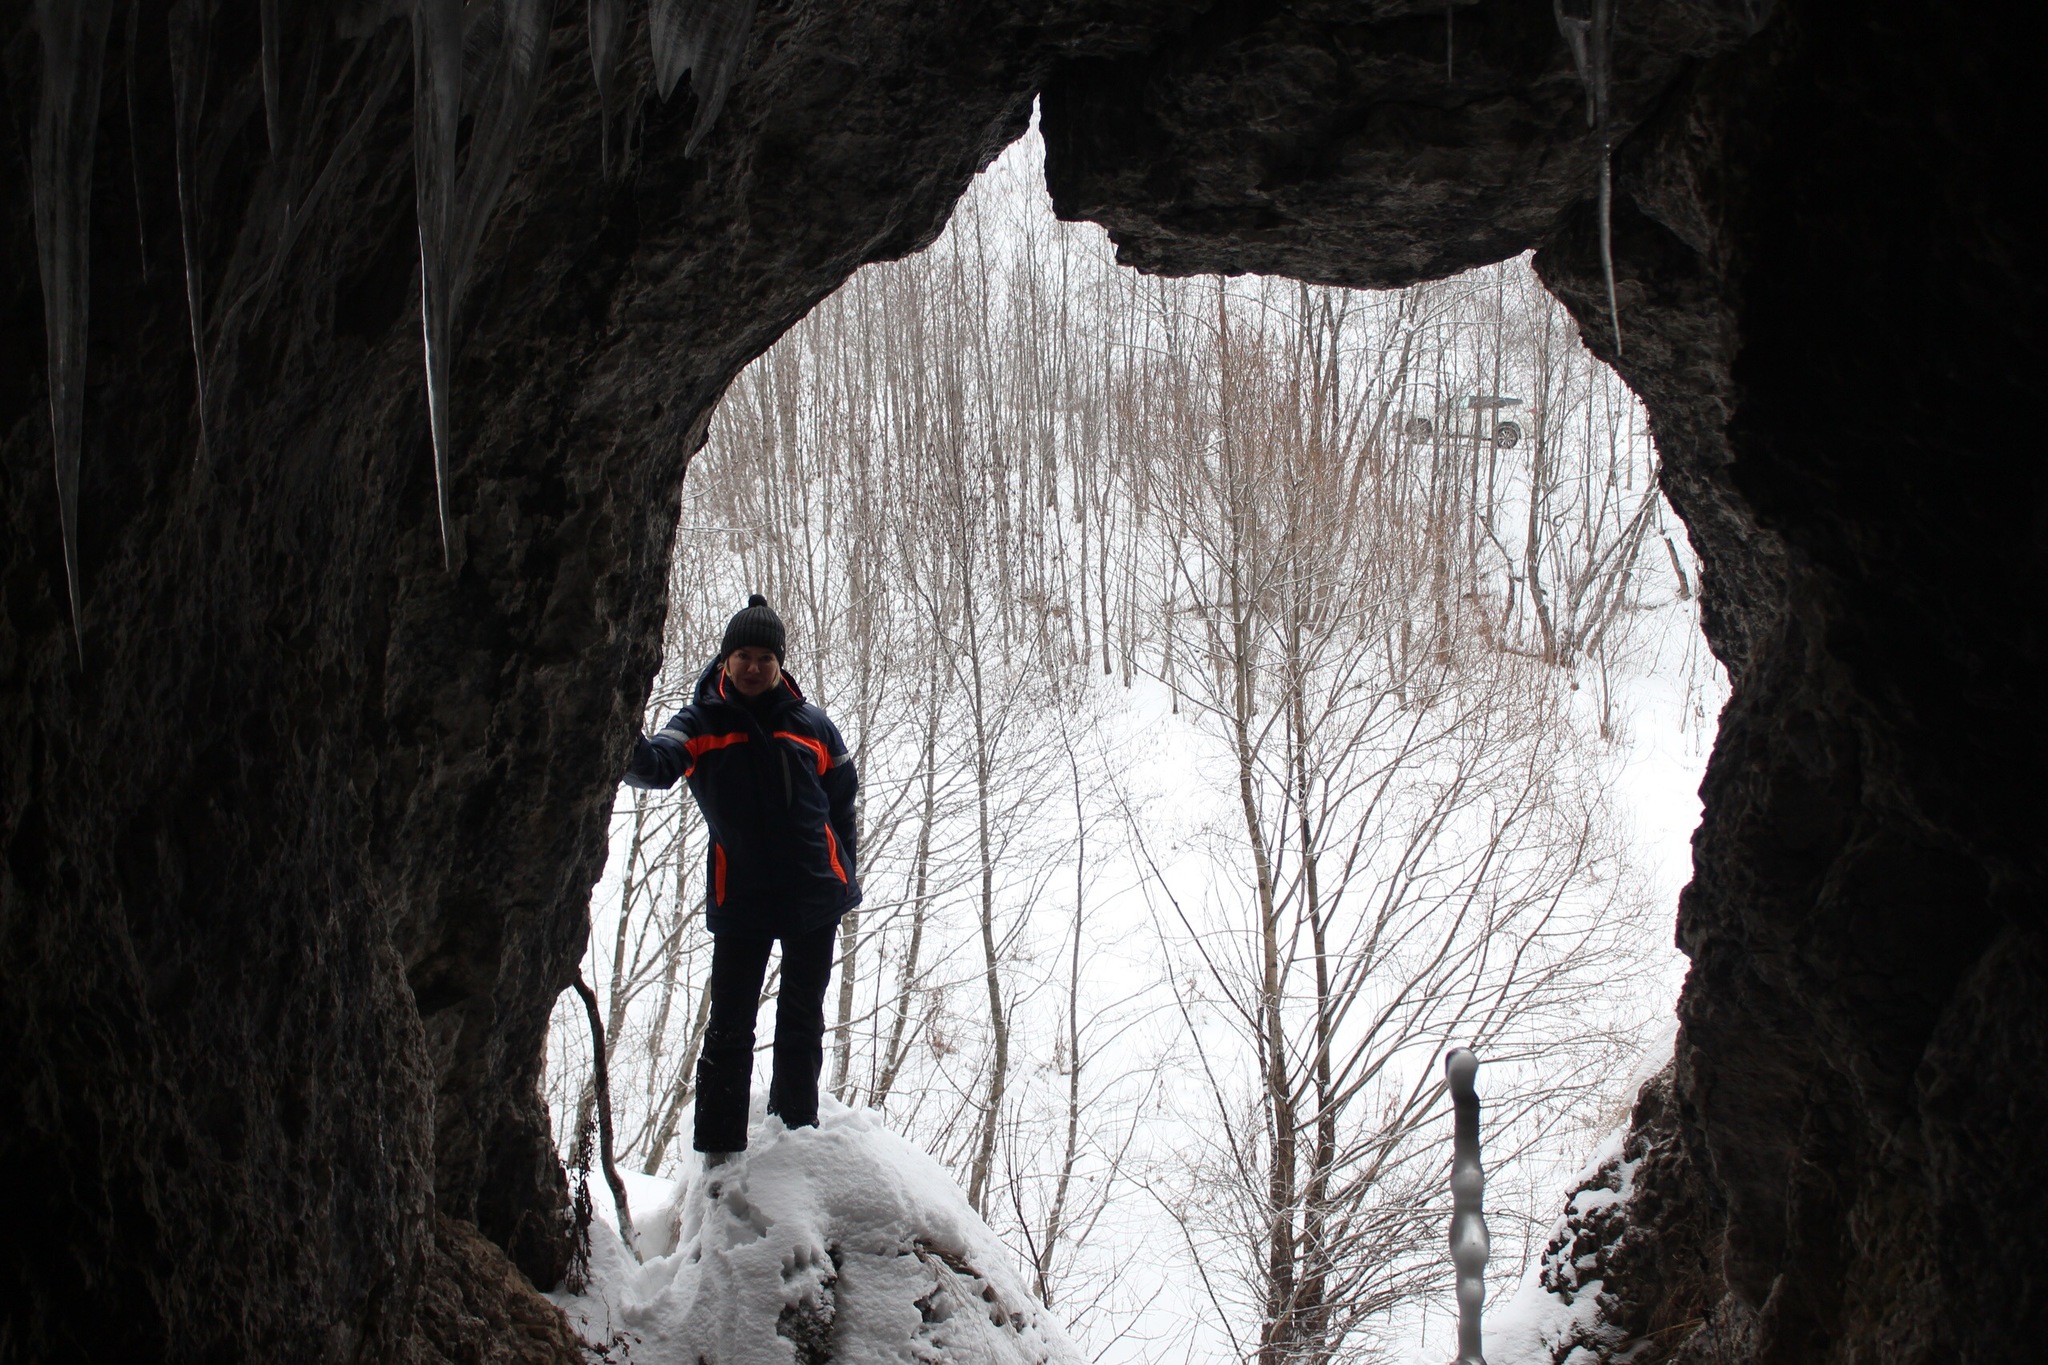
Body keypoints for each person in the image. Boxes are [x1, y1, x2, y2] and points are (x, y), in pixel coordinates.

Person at [623, 594, 860, 1164]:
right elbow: (657, 764)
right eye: (743, 655)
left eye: (765, 657)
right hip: (743, 899)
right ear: (726, 660)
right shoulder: (702, 721)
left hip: (812, 895)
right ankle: (720, 1148)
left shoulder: (812, 726)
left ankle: (796, 1132)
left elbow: (842, 800)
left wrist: (841, 872)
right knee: (730, 1025)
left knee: (802, 1021)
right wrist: (618, 730)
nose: (754, 667)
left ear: (781, 664)